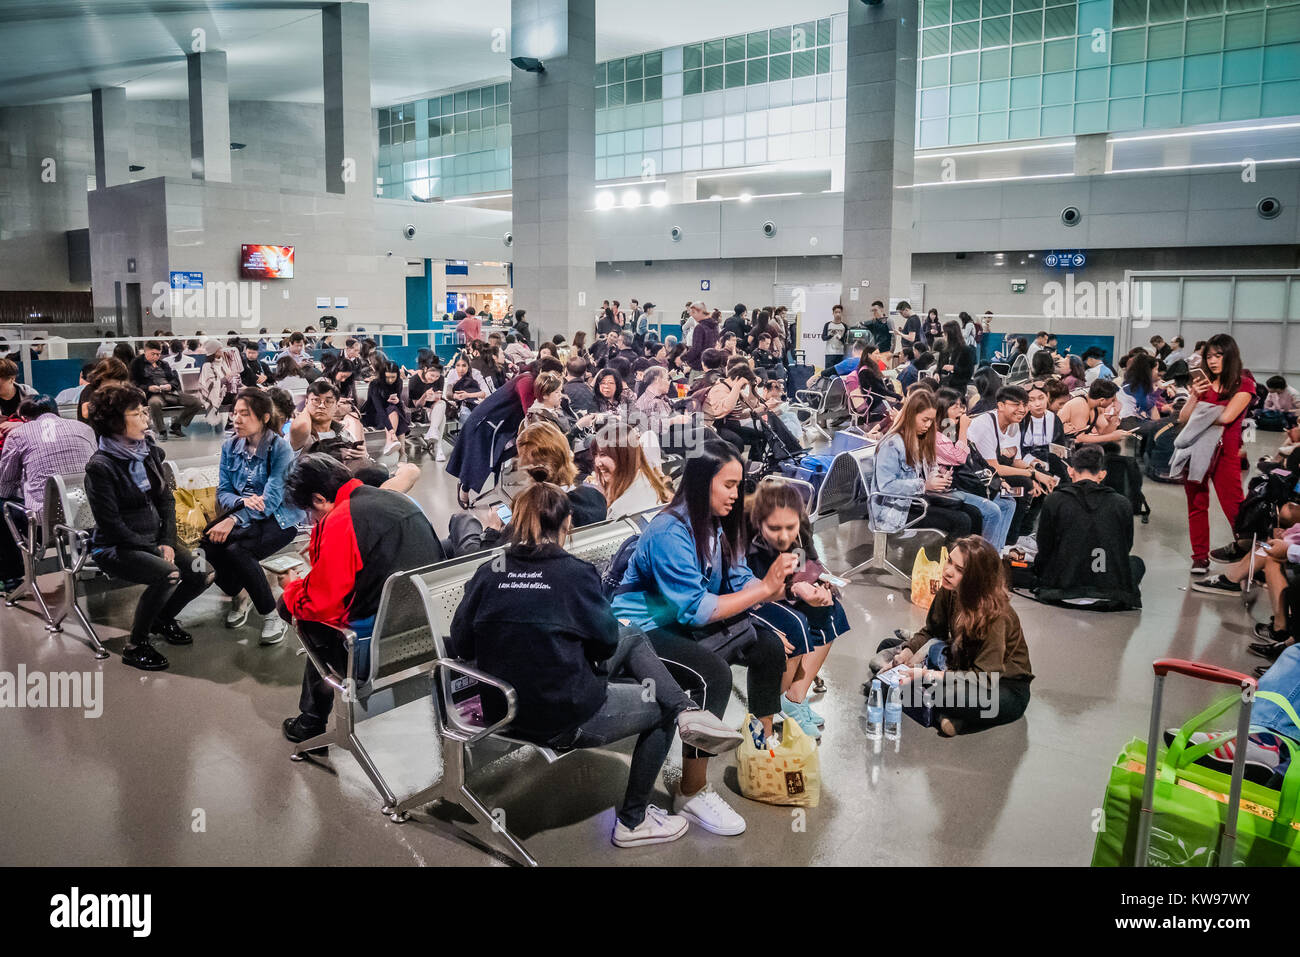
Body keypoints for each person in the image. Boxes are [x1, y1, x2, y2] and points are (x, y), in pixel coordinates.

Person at [449, 481, 742, 847]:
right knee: (657, 695)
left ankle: (685, 710)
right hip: (559, 719)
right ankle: (634, 819)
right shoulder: (574, 573)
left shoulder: (489, 572)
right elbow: (604, 645)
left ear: (517, 520)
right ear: (567, 523)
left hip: (498, 709)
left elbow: (460, 643)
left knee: (631, 634)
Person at [611, 441, 798, 836]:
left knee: (766, 645)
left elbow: (739, 579)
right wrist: (763, 591)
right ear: (700, 483)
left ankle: (763, 748)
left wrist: (779, 589)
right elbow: (695, 609)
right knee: (711, 675)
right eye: (729, 484)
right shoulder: (669, 531)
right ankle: (692, 790)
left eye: (739, 484)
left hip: (679, 624)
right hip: (640, 631)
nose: (736, 494)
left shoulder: (718, 525)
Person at [278, 454, 446, 747]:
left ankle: (311, 721)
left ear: (319, 499)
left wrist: (292, 587)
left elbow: (321, 604)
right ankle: (311, 716)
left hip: (376, 648)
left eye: (310, 513)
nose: (312, 521)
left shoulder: (342, 519)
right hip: (430, 632)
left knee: (297, 612)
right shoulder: (398, 500)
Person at [84, 384, 210, 670]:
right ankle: (136, 644)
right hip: (117, 547)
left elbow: (166, 500)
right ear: (115, 421)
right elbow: (111, 524)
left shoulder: (148, 450)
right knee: (168, 574)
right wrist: (154, 548)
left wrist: (165, 541)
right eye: (137, 413)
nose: (145, 418)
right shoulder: (101, 466)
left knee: (204, 573)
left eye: (145, 412)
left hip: (154, 542)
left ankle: (162, 619)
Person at [872, 537, 1033, 736]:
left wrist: (927, 675)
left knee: (946, 695)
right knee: (887, 646)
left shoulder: (997, 616)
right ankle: (936, 708)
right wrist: (906, 653)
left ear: (977, 578)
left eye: (960, 570)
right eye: (949, 561)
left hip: (1001, 686)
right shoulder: (950, 590)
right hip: (959, 665)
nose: (948, 571)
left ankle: (954, 718)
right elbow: (932, 631)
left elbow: (984, 679)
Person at [746, 479, 849, 740]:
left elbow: (804, 559)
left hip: (781, 589)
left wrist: (817, 583)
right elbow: (741, 583)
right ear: (759, 521)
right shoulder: (743, 535)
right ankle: (777, 705)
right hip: (750, 595)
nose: (783, 535)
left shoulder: (801, 528)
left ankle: (796, 696)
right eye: (774, 528)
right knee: (795, 627)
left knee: (831, 611)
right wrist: (793, 590)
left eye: (789, 527)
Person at [203, 389, 305, 644]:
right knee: (206, 548)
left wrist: (235, 518)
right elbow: (223, 491)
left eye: (244, 414)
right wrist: (242, 502)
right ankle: (240, 595)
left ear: (264, 418)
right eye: (235, 413)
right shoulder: (230, 446)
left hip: (280, 518)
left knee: (237, 551)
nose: (236, 419)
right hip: (244, 513)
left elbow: (270, 501)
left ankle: (271, 615)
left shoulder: (280, 449)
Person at [1030, 444, 1144, 609]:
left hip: (1062, 591)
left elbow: (1045, 546)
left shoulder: (1055, 500)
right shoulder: (1122, 503)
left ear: (1070, 471)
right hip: (1109, 593)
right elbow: (1125, 546)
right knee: (1136, 563)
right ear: (1102, 474)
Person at [0, 396, 96, 590]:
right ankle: (86, 557)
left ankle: (12, 577)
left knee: (2, 504)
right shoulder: (85, 429)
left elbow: (6, 483)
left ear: (24, 418)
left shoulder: (19, 434)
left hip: (43, 526)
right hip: (90, 519)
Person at [1180, 334, 1256, 575]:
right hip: (1196, 451)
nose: (1212, 361)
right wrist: (1194, 395)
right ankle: (1200, 558)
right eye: (1209, 356)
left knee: (1235, 507)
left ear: (1230, 355)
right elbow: (1183, 418)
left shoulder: (1244, 383)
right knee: (1196, 506)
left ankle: (1252, 554)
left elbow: (1227, 417)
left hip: (1225, 454)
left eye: (1218, 355)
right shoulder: (1203, 385)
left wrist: (1200, 412)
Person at [871, 389, 984, 541]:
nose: (928, 425)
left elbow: (931, 467)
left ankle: (969, 561)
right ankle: (953, 563)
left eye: (931, 421)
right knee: (961, 520)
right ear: (911, 416)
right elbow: (886, 486)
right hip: (894, 512)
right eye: (925, 420)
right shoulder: (892, 444)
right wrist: (924, 485)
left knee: (974, 513)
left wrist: (939, 477)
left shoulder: (920, 439)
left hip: (916, 501)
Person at [967, 385, 1058, 545]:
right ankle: (1009, 541)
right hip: (978, 481)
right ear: (1001, 406)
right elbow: (994, 468)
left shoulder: (1014, 424)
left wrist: (1037, 473)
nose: (1022, 409)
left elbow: (1016, 460)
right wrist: (1032, 475)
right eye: (1016, 404)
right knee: (1023, 487)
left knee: (1040, 484)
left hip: (996, 478)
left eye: (1024, 404)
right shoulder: (985, 424)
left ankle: (1019, 535)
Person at [932, 387, 1017, 550]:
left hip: (975, 481)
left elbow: (979, 461)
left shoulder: (953, 430)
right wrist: (963, 428)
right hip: (954, 488)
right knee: (992, 511)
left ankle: (997, 551)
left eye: (961, 405)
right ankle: (983, 558)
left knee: (1009, 500)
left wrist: (999, 481)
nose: (961, 410)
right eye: (954, 406)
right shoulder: (938, 435)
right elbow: (959, 458)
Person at [587, 424, 672, 519]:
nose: (597, 462)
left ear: (625, 456)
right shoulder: (648, 480)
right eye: (595, 455)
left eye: (603, 455)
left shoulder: (619, 511)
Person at [129, 341, 203, 438]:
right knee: (154, 403)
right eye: (153, 354)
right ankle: (162, 431)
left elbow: (174, 379)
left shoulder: (163, 364)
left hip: (170, 392)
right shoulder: (137, 364)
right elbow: (133, 383)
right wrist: (148, 388)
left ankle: (177, 425)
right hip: (153, 394)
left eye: (158, 354)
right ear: (146, 352)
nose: (156, 357)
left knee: (196, 402)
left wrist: (170, 385)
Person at [288, 379, 367, 468]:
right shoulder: (300, 434)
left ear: (336, 406)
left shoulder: (344, 434)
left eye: (328, 402)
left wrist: (360, 455)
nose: (321, 406)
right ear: (306, 402)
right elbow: (301, 426)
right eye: (316, 400)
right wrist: (308, 407)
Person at [361, 357, 409, 455]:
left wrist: (398, 401)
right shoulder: (375, 384)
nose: (390, 380)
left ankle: (395, 448)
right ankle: (398, 449)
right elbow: (379, 409)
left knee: (394, 409)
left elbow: (399, 404)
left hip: (392, 413)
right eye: (387, 377)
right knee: (394, 411)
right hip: (375, 416)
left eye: (393, 377)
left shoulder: (398, 382)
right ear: (383, 375)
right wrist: (391, 431)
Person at [407, 355, 448, 460]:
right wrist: (425, 396)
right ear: (425, 369)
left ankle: (433, 432)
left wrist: (434, 398)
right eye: (432, 375)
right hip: (418, 413)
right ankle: (438, 448)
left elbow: (438, 400)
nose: (434, 379)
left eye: (437, 377)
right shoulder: (414, 380)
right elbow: (417, 405)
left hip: (433, 410)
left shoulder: (441, 379)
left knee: (442, 404)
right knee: (442, 417)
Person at [444, 354, 491, 424]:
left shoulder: (475, 373)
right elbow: (448, 393)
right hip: (462, 406)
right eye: (458, 365)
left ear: (468, 366)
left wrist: (468, 395)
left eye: (464, 365)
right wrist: (455, 396)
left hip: (477, 403)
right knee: (466, 415)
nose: (461, 369)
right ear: (455, 366)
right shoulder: (452, 373)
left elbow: (486, 393)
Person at [936, 319, 973, 393]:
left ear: (951, 335)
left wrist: (954, 368)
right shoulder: (944, 350)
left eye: (945, 333)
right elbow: (939, 367)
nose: (943, 335)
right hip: (943, 385)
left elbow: (969, 372)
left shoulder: (966, 350)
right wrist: (936, 373)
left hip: (958, 387)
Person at [682, 302, 718, 371]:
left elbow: (696, 349)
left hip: (699, 367)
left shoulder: (699, 328)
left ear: (699, 312)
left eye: (693, 312)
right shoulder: (715, 326)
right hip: (712, 365)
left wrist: (682, 358)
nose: (691, 315)